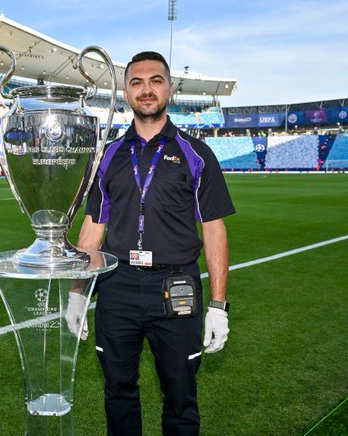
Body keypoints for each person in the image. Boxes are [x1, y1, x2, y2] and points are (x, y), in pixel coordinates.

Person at [73, 51, 235, 435]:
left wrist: (218, 305)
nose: (146, 90)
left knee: (180, 396)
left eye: (155, 81)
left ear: (170, 88)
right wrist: (77, 293)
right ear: (127, 92)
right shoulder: (109, 154)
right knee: (118, 392)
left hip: (176, 285)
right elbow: (94, 225)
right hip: (117, 286)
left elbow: (213, 229)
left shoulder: (197, 153)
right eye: (137, 82)